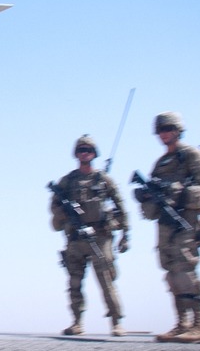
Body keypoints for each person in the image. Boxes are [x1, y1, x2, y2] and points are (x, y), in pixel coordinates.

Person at [133, 112, 200, 343]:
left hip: (186, 220)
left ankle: (199, 324)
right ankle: (182, 323)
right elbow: (152, 194)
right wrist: (145, 194)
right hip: (165, 224)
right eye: (160, 130)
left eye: (168, 128)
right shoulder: (160, 163)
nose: (164, 133)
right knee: (170, 272)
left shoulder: (190, 155)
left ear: (178, 130)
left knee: (185, 269)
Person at [50, 135, 130, 337]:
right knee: (74, 282)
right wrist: (66, 215)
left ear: (94, 153)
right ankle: (77, 322)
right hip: (76, 238)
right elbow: (54, 206)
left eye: (88, 150)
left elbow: (121, 206)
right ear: (76, 154)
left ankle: (116, 322)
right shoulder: (67, 181)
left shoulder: (103, 180)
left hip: (100, 237)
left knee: (106, 280)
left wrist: (125, 234)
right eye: (80, 150)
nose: (84, 153)